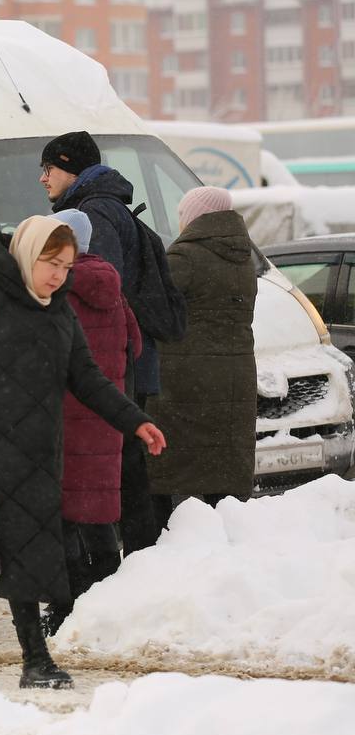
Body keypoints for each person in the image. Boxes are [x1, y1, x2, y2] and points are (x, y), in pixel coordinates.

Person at [0, 216, 166, 689]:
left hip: (43, 449)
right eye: (49, 263)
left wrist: (133, 420)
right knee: (20, 551)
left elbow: (88, 376)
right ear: (25, 253)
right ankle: (35, 661)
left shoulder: (58, 309)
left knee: (21, 551)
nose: (58, 274)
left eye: (65, 265)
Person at [41, 130, 165, 555]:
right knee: (118, 460)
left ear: (71, 168)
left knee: (116, 462)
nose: (43, 179)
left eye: (49, 168)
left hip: (108, 366)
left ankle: (126, 560)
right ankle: (131, 556)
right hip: (119, 362)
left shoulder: (93, 214)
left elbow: (102, 293)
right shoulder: (104, 207)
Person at [42, 209, 141, 636]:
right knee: (99, 508)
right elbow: (134, 346)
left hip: (61, 416)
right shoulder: (114, 289)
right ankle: (106, 593)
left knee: (58, 511)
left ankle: (67, 603)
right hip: (104, 415)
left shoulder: (55, 289)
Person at [147, 187, 256, 523]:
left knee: (172, 473)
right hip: (234, 378)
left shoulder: (185, 259)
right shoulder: (243, 258)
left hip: (187, 382)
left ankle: (170, 547)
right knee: (223, 478)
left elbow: (153, 308)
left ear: (194, 218)